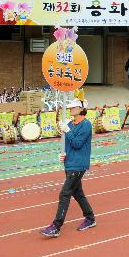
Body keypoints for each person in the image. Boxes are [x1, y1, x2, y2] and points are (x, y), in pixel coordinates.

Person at [40, 99, 96, 237]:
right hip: (69, 163)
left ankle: (56, 226)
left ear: (80, 109)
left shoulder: (86, 124)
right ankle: (90, 218)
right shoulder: (70, 124)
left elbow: (77, 143)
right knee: (77, 193)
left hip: (78, 165)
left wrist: (67, 130)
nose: (70, 109)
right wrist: (63, 154)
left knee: (65, 193)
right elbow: (68, 144)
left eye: (73, 107)